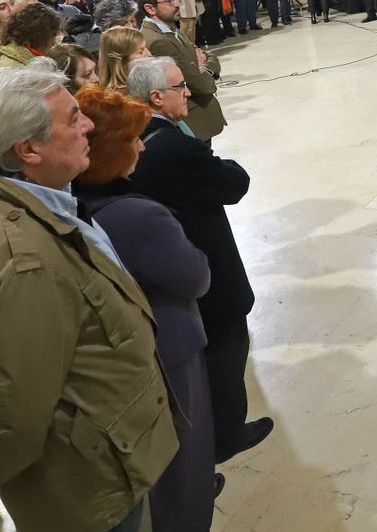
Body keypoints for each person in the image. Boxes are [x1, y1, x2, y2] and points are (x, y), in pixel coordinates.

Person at [0, 66, 177, 532]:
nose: (89, 124)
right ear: (28, 150)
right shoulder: (25, 260)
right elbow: (20, 408)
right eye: (72, 119)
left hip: (101, 455)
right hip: (93, 484)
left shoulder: (19, 201)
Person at [74, 83, 220, 531]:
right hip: (169, 347)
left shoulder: (77, 200)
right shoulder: (138, 216)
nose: (142, 145)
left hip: (128, 352)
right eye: (134, 139)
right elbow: (195, 276)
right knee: (185, 459)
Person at [126, 58, 273, 467]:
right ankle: (227, 434)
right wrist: (222, 163)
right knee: (227, 350)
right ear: (156, 96)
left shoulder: (139, 134)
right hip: (206, 261)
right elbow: (233, 182)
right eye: (179, 87)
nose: (187, 91)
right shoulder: (172, 146)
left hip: (176, 262)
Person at [137, 0, 227, 140]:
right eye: (169, 0)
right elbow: (201, 84)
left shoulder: (170, 28)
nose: (177, 4)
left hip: (202, 118)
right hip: (193, 124)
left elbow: (208, 56)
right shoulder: (157, 41)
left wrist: (202, 66)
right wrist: (206, 68)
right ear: (150, 8)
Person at [0, 2, 63, 69]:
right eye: (53, 36)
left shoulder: (30, 56)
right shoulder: (12, 69)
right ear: (38, 36)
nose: (54, 43)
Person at [72, 0, 138, 54]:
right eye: (123, 24)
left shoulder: (138, 42)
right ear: (107, 27)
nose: (131, 27)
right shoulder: (98, 51)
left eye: (132, 21)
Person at [99, 25, 152, 92]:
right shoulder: (122, 98)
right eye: (140, 52)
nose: (149, 55)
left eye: (146, 48)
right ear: (122, 62)